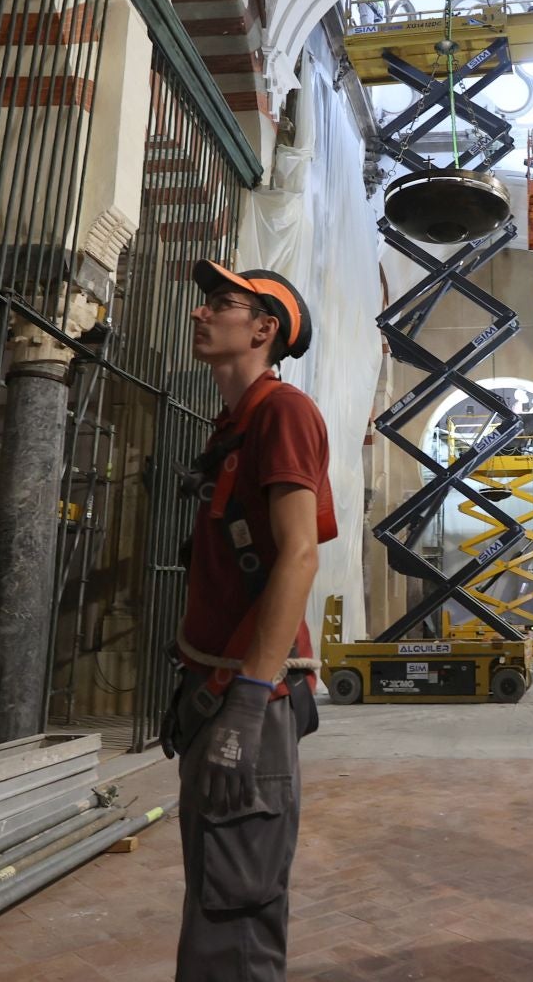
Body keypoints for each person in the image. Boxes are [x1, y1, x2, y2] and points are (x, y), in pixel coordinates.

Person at [163, 260, 334, 980]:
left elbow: (299, 555)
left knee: (235, 904)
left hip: (250, 697)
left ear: (263, 329)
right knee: (216, 891)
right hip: (219, 685)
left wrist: (244, 700)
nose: (199, 312)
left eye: (220, 303)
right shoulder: (231, 426)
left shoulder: (282, 413)